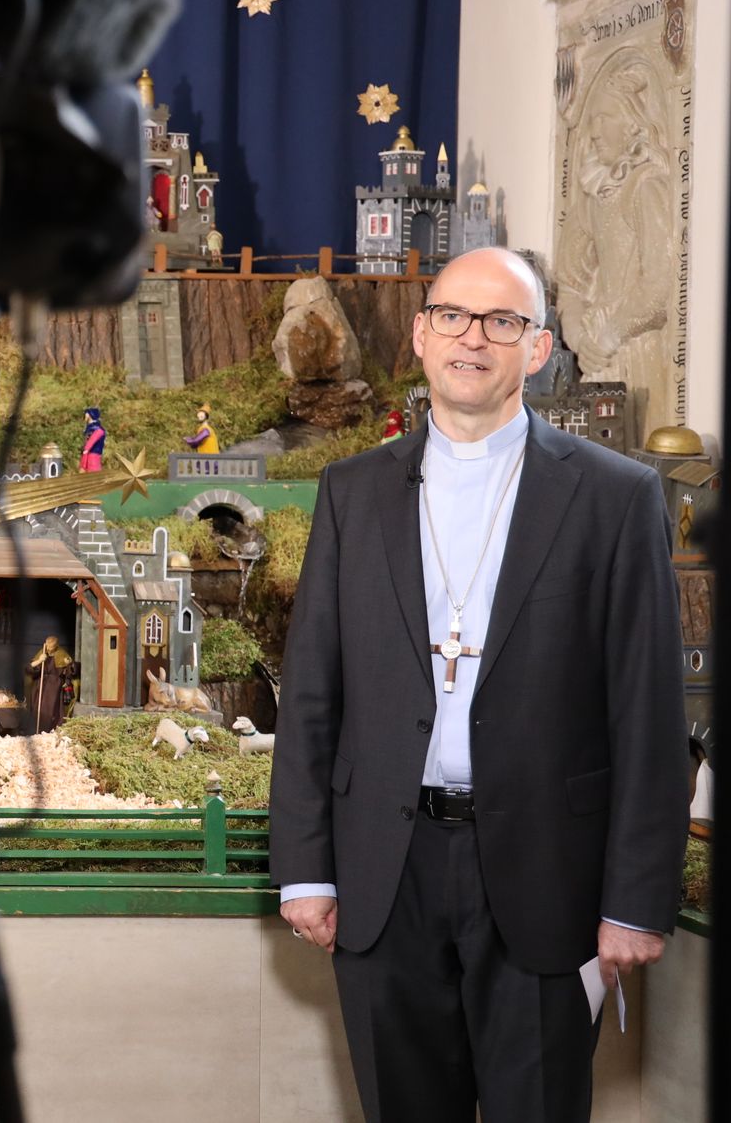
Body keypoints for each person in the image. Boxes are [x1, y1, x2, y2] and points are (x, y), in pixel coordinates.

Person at [270, 247, 687, 1123]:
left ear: (535, 350)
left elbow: (647, 716)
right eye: (454, 316)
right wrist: (306, 868)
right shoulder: (352, 492)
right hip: (388, 868)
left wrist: (637, 900)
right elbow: (312, 693)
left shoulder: (615, 497)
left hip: (549, 876)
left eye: (504, 322)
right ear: (422, 335)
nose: (475, 338)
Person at [25, 635, 76, 733]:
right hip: (41, 685)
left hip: (55, 686)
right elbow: (29, 668)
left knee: (53, 709)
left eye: (51, 648)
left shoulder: (62, 654)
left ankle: (52, 730)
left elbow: (70, 672)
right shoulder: (42, 652)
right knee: (38, 709)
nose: (49, 650)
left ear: (56, 646)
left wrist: (68, 664)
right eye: (47, 647)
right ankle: (37, 729)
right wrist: (39, 660)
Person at [79, 407, 106, 473]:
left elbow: (91, 441)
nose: (85, 415)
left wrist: (86, 449)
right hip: (87, 456)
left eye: (87, 413)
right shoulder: (90, 428)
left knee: (93, 474)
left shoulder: (98, 429)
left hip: (93, 456)